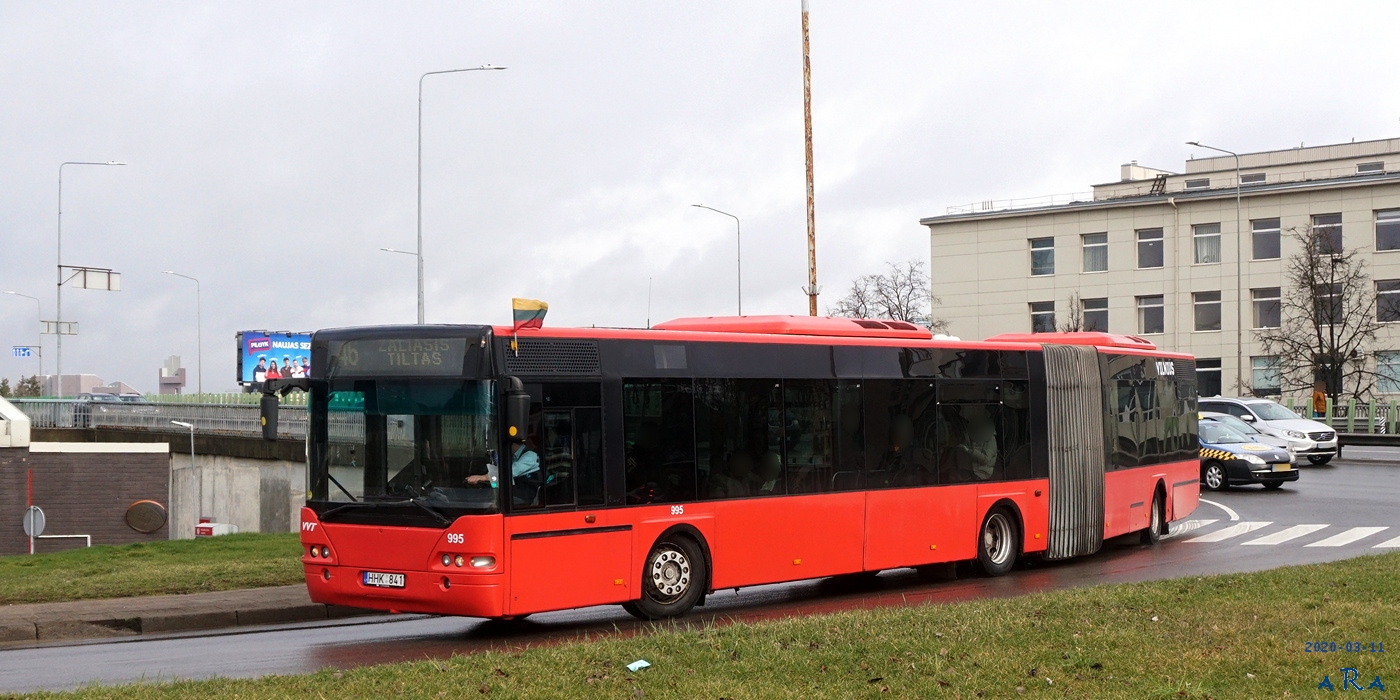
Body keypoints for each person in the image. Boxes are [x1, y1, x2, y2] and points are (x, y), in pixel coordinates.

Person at [466, 439, 540, 503]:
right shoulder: (514, 456)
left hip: (524, 496)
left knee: (492, 500)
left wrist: (483, 477)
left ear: (511, 443)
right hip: (514, 491)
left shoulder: (530, 455)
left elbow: (510, 472)